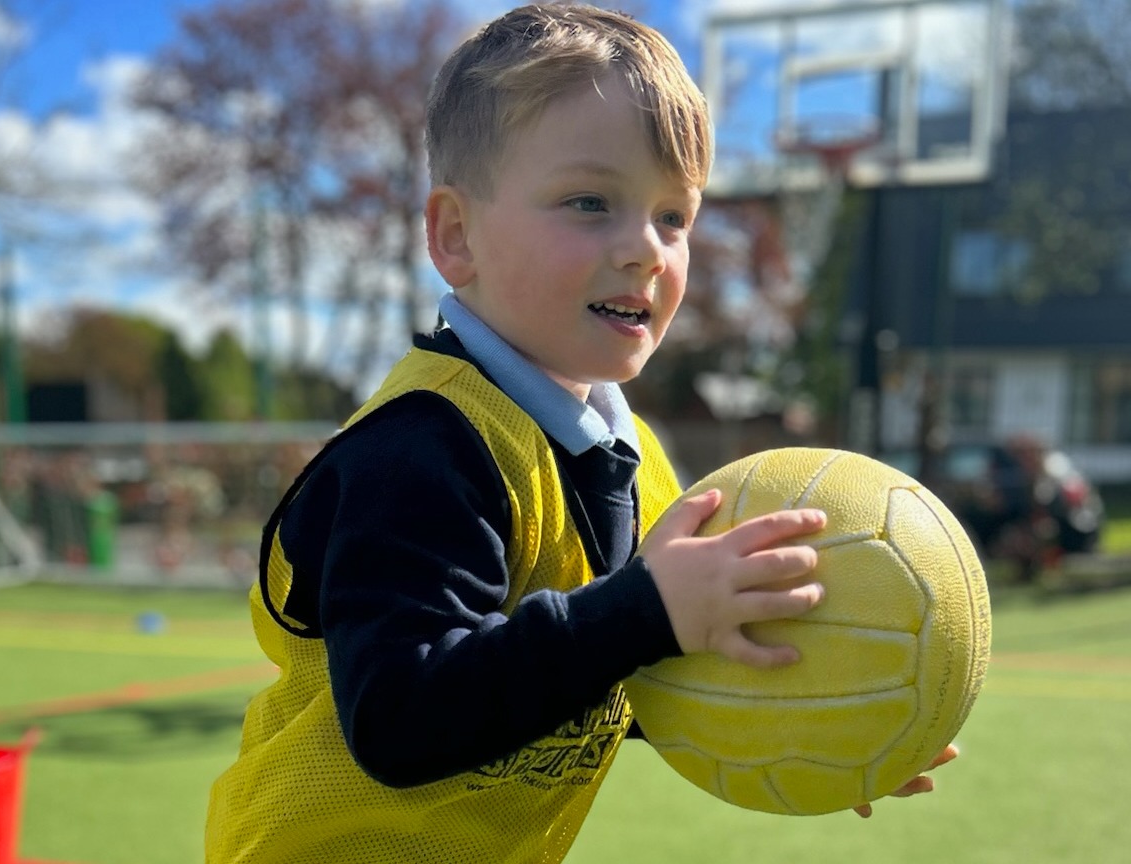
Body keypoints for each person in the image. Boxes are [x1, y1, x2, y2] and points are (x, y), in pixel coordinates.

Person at [204, 7, 957, 862]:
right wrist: (648, 609)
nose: (645, 248)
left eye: (674, 217)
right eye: (590, 202)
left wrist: (826, 718)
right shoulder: (420, 450)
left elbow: (613, 676)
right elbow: (402, 718)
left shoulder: (636, 464)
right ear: (456, 236)